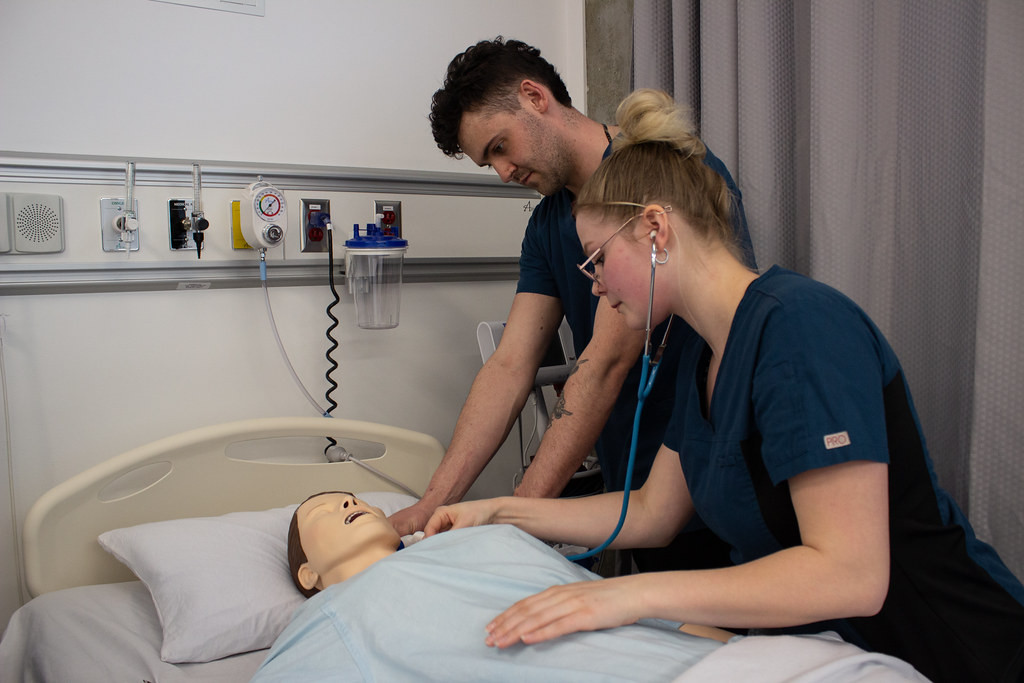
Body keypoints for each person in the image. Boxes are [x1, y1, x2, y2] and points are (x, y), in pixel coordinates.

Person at [424, 89, 1024, 683]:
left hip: (952, 649)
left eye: (598, 260)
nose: (595, 285)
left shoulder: (800, 328)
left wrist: (627, 598)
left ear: (655, 228)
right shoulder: (703, 358)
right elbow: (654, 513)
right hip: (828, 654)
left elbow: (852, 576)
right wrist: (499, 511)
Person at [391, 37, 755, 575]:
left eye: (499, 146)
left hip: (710, 482)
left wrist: (512, 521)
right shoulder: (546, 226)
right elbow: (511, 366)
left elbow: (605, 363)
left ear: (535, 97)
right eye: (487, 162)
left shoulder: (656, 175)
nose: (503, 172)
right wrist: (431, 505)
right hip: (639, 496)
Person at [251, 491, 926, 682]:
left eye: (354, 497)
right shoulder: (330, 621)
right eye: (324, 511)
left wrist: (745, 651)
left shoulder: (484, 539)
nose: (351, 503)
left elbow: (620, 605)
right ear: (308, 574)